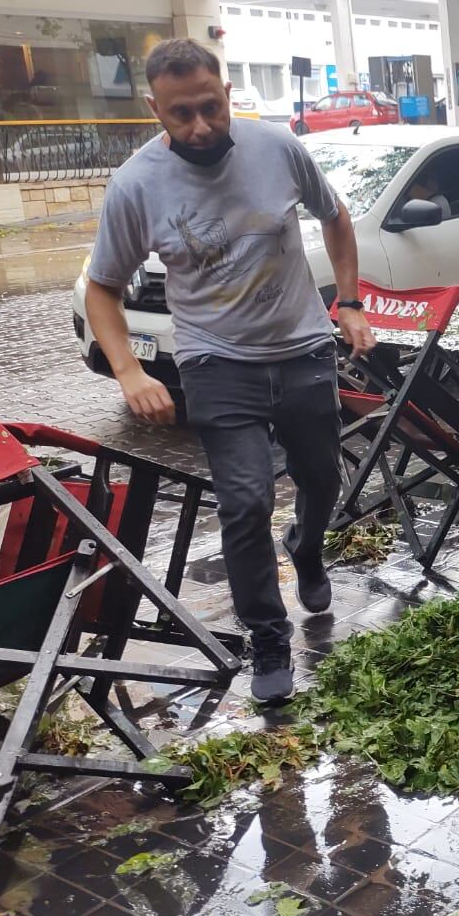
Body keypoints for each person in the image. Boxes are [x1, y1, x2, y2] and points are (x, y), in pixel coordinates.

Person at [84, 38, 376, 703]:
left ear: (226, 92)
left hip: (302, 349)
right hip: (216, 362)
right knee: (244, 502)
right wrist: (129, 370)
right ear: (154, 107)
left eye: (210, 108)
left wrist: (350, 301)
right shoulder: (136, 184)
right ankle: (267, 637)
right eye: (180, 114)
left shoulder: (278, 149)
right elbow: (103, 288)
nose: (199, 127)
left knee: (323, 477)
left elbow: (336, 217)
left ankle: (306, 546)